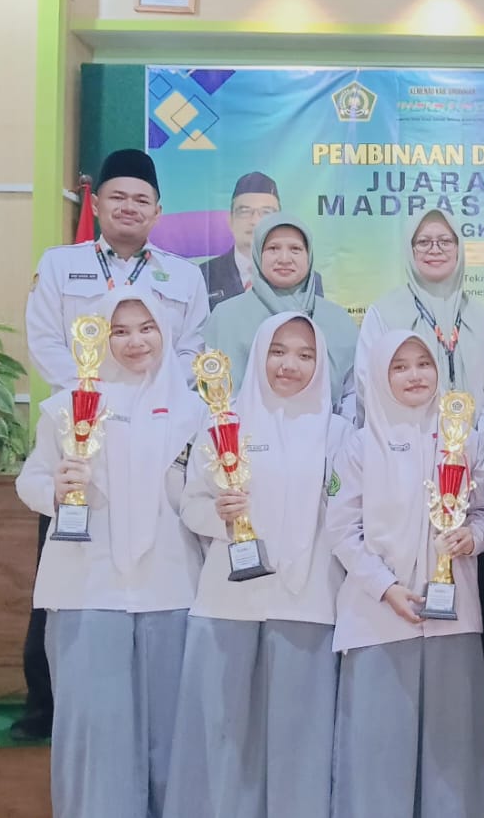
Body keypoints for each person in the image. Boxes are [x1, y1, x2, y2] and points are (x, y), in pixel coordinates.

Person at [15, 147, 208, 741]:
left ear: (158, 211)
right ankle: (49, 701)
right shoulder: (60, 265)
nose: (129, 207)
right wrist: (90, 401)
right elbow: (46, 340)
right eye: (117, 197)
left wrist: (149, 397)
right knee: (70, 562)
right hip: (84, 440)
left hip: (158, 430)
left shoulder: (184, 276)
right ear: (96, 204)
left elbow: (189, 348)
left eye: (141, 200)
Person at [15, 289, 206, 817]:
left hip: (172, 588)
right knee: (94, 736)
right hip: (86, 591)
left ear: (166, 331)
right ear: (98, 338)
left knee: (171, 737)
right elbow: (30, 481)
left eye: (147, 328)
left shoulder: (196, 412)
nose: (134, 341)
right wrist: (55, 488)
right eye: (118, 331)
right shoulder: (65, 408)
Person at [163, 313, 351, 818]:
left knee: (300, 746)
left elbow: (347, 516)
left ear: (322, 364)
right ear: (259, 354)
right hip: (228, 603)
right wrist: (221, 516)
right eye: (278, 351)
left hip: (308, 605)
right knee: (222, 741)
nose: (290, 365)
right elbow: (192, 506)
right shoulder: (223, 425)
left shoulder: (338, 433)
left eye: (305, 355)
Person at [326, 330, 484, 818]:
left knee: (452, 755)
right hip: (377, 619)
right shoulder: (360, 446)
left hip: (453, 618)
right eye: (399, 367)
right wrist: (386, 589)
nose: (414, 375)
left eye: (423, 363)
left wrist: (473, 538)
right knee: (378, 755)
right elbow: (342, 531)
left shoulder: (465, 440)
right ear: (379, 377)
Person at [357, 208, 484, 440]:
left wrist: (476, 443)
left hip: (476, 451)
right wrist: (410, 442)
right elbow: (367, 384)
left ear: (459, 249)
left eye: (445, 241)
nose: (435, 249)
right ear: (410, 250)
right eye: (423, 242)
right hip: (403, 447)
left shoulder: (482, 317)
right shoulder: (383, 313)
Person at [203, 212, 357, 416]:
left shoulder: (337, 320)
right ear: (258, 254)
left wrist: (337, 429)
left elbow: (352, 394)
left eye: (295, 249)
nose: (284, 259)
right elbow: (214, 394)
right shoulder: (226, 317)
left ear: (309, 256)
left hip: (327, 433)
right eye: (273, 248)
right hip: (244, 432)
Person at [199, 172, 324, 312]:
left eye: (266, 212)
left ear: (279, 221)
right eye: (245, 212)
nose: (255, 221)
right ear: (231, 220)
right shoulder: (203, 275)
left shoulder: (306, 280)